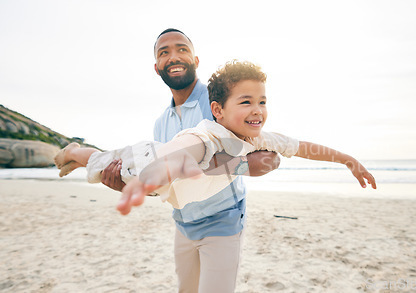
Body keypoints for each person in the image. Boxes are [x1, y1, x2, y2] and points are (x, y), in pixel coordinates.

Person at [117, 60, 376, 292]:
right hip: (183, 222)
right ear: (217, 110)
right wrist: (151, 175)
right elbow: (181, 152)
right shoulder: (208, 134)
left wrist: (347, 160)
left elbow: (303, 147)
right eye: (246, 102)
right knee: (186, 287)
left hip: (223, 223)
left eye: (262, 102)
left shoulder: (261, 138)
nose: (257, 110)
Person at [99, 29, 280, 293]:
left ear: (196, 60)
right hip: (183, 224)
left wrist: (220, 166)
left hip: (223, 221)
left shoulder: (220, 102)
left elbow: (269, 159)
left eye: (182, 49)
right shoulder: (161, 123)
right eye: (164, 52)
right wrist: (128, 184)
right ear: (156, 67)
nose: (173, 57)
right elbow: (167, 184)